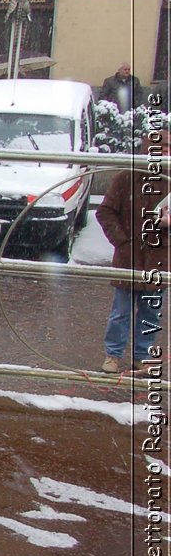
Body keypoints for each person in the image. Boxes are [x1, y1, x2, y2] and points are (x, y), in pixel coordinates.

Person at [95, 128, 168, 374]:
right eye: (160, 149)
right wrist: (122, 241)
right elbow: (105, 211)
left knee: (151, 313)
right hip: (128, 257)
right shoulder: (127, 177)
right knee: (120, 313)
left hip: (160, 259)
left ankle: (142, 356)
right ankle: (113, 355)